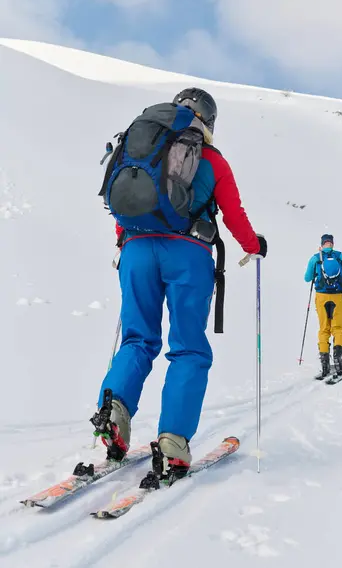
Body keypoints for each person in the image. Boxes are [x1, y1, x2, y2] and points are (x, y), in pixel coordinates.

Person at [91, 88, 267, 480]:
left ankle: (114, 409)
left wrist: (127, 240)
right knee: (188, 348)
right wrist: (254, 247)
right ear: (210, 121)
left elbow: (124, 202)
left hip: (135, 249)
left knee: (137, 340)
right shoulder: (212, 159)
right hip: (188, 255)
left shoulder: (143, 143)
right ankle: (173, 442)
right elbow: (233, 213)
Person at [304, 234, 342, 377]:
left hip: (321, 297)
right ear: (332, 244)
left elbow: (307, 278)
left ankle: (324, 363)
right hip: (338, 297)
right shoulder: (341, 257)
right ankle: (338, 358)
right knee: (338, 328)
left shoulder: (316, 258)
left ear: (322, 244)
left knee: (324, 329)